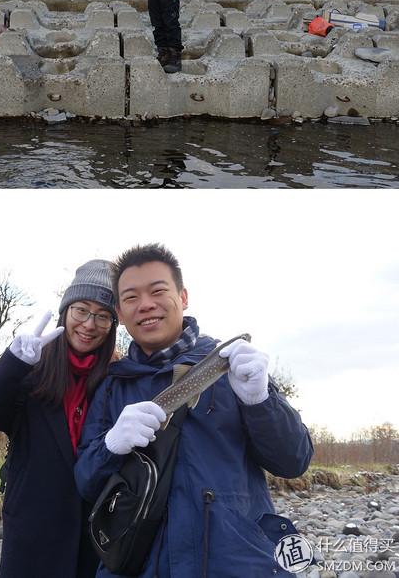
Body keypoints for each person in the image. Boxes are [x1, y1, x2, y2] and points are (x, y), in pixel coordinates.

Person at [75, 244, 314, 578]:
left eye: (158, 291)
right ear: (121, 312)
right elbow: (86, 484)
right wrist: (110, 446)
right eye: (131, 297)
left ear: (183, 297)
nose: (146, 304)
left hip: (238, 566)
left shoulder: (238, 369)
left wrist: (260, 401)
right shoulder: (110, 388)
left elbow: (293, 462)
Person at [0, 259, 119, 578]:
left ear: (112, 325)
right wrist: (12, 364)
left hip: (95, 537)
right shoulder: (30, 373)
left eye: (103, 315)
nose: (89, 324)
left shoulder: (116, 381)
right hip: (33, 534)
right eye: (81, 310)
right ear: (65, 312)